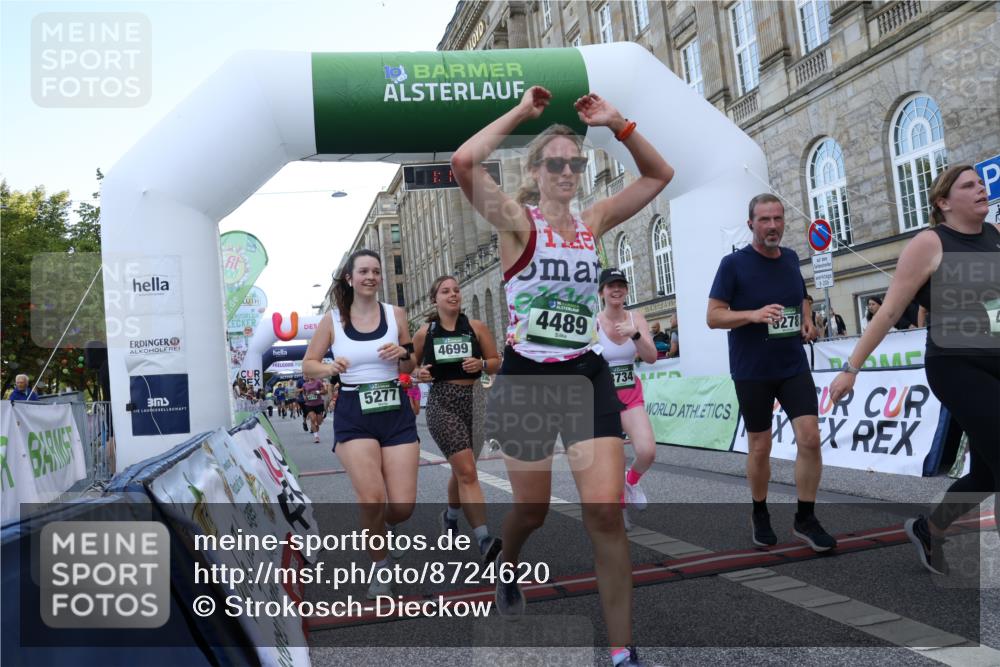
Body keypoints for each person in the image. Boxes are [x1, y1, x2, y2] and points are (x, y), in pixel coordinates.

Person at [452, 85, 673, 667]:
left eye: (575, 162)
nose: (569, 171)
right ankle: (506, 559)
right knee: (534, 509)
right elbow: (463, 163)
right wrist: (523, 114)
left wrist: (618, 123)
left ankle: (623, 652)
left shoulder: (591, 221)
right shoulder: (514, 222)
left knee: (604, 512)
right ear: (536, 171)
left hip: (585, 372)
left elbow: (658, 175)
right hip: (527, 379)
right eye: (556, 163)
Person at [830, 165, 998, 575]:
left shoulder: (994, 237)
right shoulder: (929, 243)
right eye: (969, 185)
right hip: (956, 365)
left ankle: (930, 528)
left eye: (982, 183)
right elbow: (888, 311)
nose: (982, 188)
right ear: (944, 202)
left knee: (987, 474)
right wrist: (851, 367)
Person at [707, 193, 836, 553]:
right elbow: (714, 316)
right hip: (752, 369)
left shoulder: (792, 258)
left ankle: (805, 517)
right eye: (765, 219)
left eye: (778, 218)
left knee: (809, 438)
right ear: (751, 224)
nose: (773, 226)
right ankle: (760, 510)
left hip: (792, 363)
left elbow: (801, 297)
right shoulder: (733, 264)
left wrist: (807, 321)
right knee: (760, 446)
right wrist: (752, 314)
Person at [303, 249, 418, 599]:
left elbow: (410, 366)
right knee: (372, 498)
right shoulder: (333, 321)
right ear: (350, 278)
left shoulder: (396, 314)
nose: (370, 277)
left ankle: (387, 525)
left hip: (394, 410)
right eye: (363, 271)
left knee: (402, 506)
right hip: (355, 411)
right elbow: (308, 364)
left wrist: (404, 355)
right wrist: (330, 369)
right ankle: (380, 567)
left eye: (376, 272)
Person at [412, 275, 503, 564]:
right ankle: (484, 539)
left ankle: (450, 517)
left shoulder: (475, 328)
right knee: (467, 471)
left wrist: (483, 364)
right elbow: (410, 367)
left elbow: (496, 361)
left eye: (456, 290)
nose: (453, 295)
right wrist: (418, 374)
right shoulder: (425, 333)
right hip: (443, 403)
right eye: (445, 291)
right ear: (435, 299)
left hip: (475, 401)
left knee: (464, 469)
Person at [596, 268, 659, 531]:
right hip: (604, 398)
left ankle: (631, 482)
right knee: (615, 459)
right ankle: (620, 510)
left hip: (631, 394)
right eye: (611, 286)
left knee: (647, 450)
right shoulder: (593, 323)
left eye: (621, 285)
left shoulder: (636, 318)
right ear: (601, 293)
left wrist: (634, 334)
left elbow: (652, 357)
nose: (617, 290)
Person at [301, 376, 326, 443]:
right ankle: (316, 437)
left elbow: (324, 391)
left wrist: (317, 392)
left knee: (319, 422)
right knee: (312, 419)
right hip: (309, 405)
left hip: (318, 404)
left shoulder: (318, 381)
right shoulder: (305, 384)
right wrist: (305, 397)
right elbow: (303, 393)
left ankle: (317, 425)